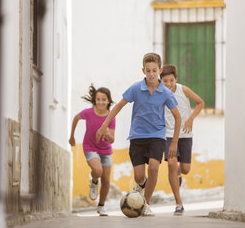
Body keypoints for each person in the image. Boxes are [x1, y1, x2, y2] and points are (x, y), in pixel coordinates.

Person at [96, 53, 181, 216]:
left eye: (154, 70)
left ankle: (145, 203)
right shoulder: (136, 88)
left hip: (157, 135)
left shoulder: (166, 93)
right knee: (139, 176)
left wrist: (174, 143)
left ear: (160, 70)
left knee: (154, 168)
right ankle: (141, 185)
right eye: (148, 70)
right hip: (137, 136)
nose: (151, 74)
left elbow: (177, 117)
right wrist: (103, 125)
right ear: (143, 70)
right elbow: (119, 105)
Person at [160, 64, 204, 216]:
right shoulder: (159, 93)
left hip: (185, 134)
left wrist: (191, 118)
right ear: (161, 81)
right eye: (165, 81)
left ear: (176, 79)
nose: (169, 84)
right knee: (171, 163)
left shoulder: (183, 89)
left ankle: (178, 173)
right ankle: (178, 203)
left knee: (185, 169)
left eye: (171, 80)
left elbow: (200, 102)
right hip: (168, 134)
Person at [69, 84, 116, 216]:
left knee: (106, 180)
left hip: (106, 150)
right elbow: (76, 118)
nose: (101, 102)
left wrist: (107, 133)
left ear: (108, 101)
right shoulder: (88, 113)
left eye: (104, 99)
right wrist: (72, 136)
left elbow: (112, 140)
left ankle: (101, 206)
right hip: (90, 147)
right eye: (98, 99)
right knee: (97, 170)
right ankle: (94, 181)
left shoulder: (111, 117)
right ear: (95, 100)